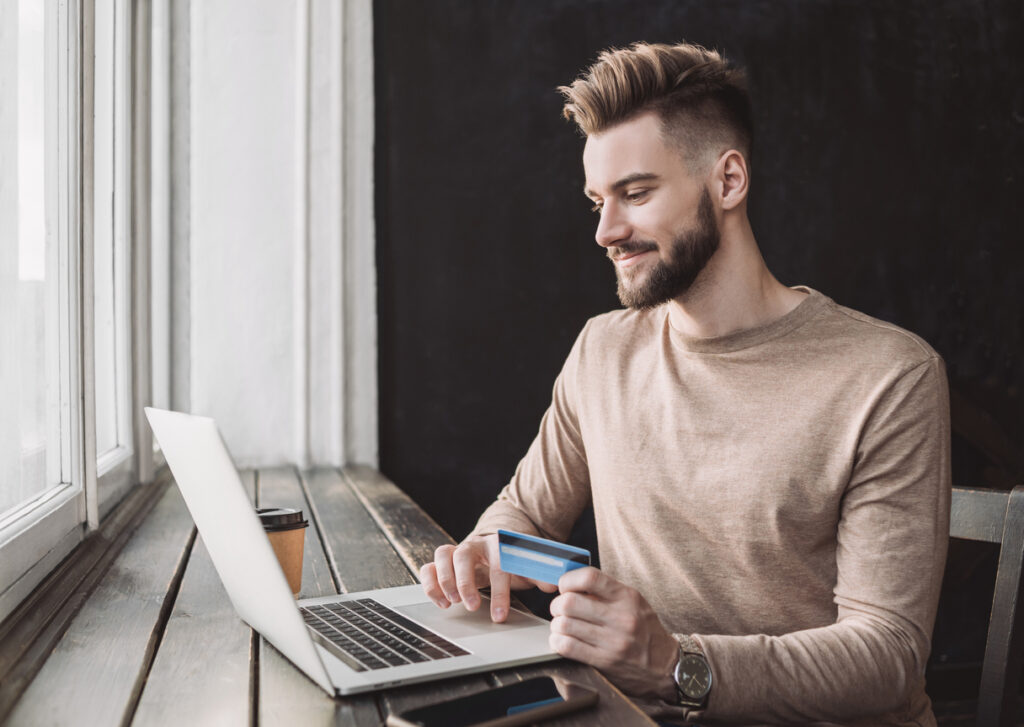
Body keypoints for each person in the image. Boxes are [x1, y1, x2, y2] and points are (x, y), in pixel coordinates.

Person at [419, 41, 950, 726]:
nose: (607, 230)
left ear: (728, 181)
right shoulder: (601, 350)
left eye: (636, 193)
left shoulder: (890, 375)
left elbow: (888, 654)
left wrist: (675, 664)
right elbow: (522, 514)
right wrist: (486, 553)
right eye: (597, 202)